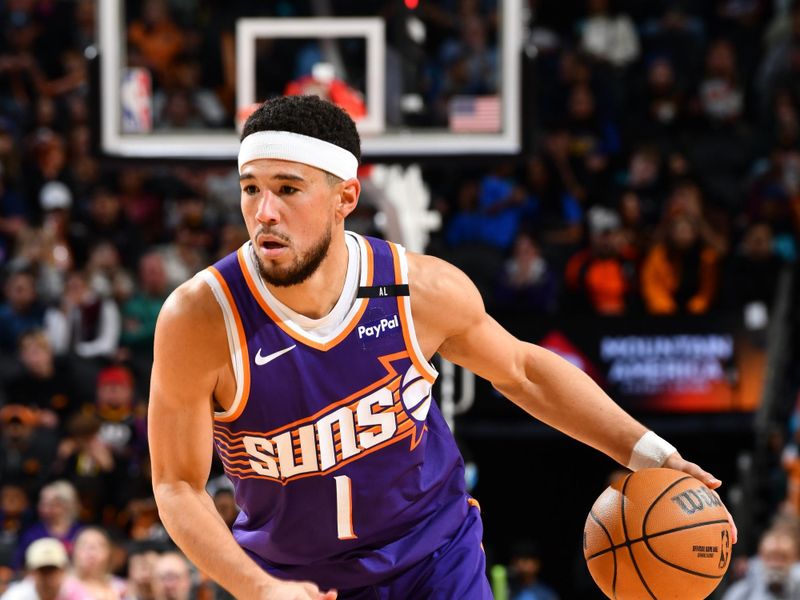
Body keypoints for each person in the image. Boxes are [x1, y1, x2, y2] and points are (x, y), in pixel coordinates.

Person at [148, 95, 735, 599]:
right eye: (251, 189)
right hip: (292, 580)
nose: (264, 212)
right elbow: (176, 485)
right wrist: (256, 587)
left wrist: (650, 453)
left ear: (344, 197)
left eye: (287, 189)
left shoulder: (418, 290)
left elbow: (524, 371)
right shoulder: (200, 319)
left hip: (435, 559)